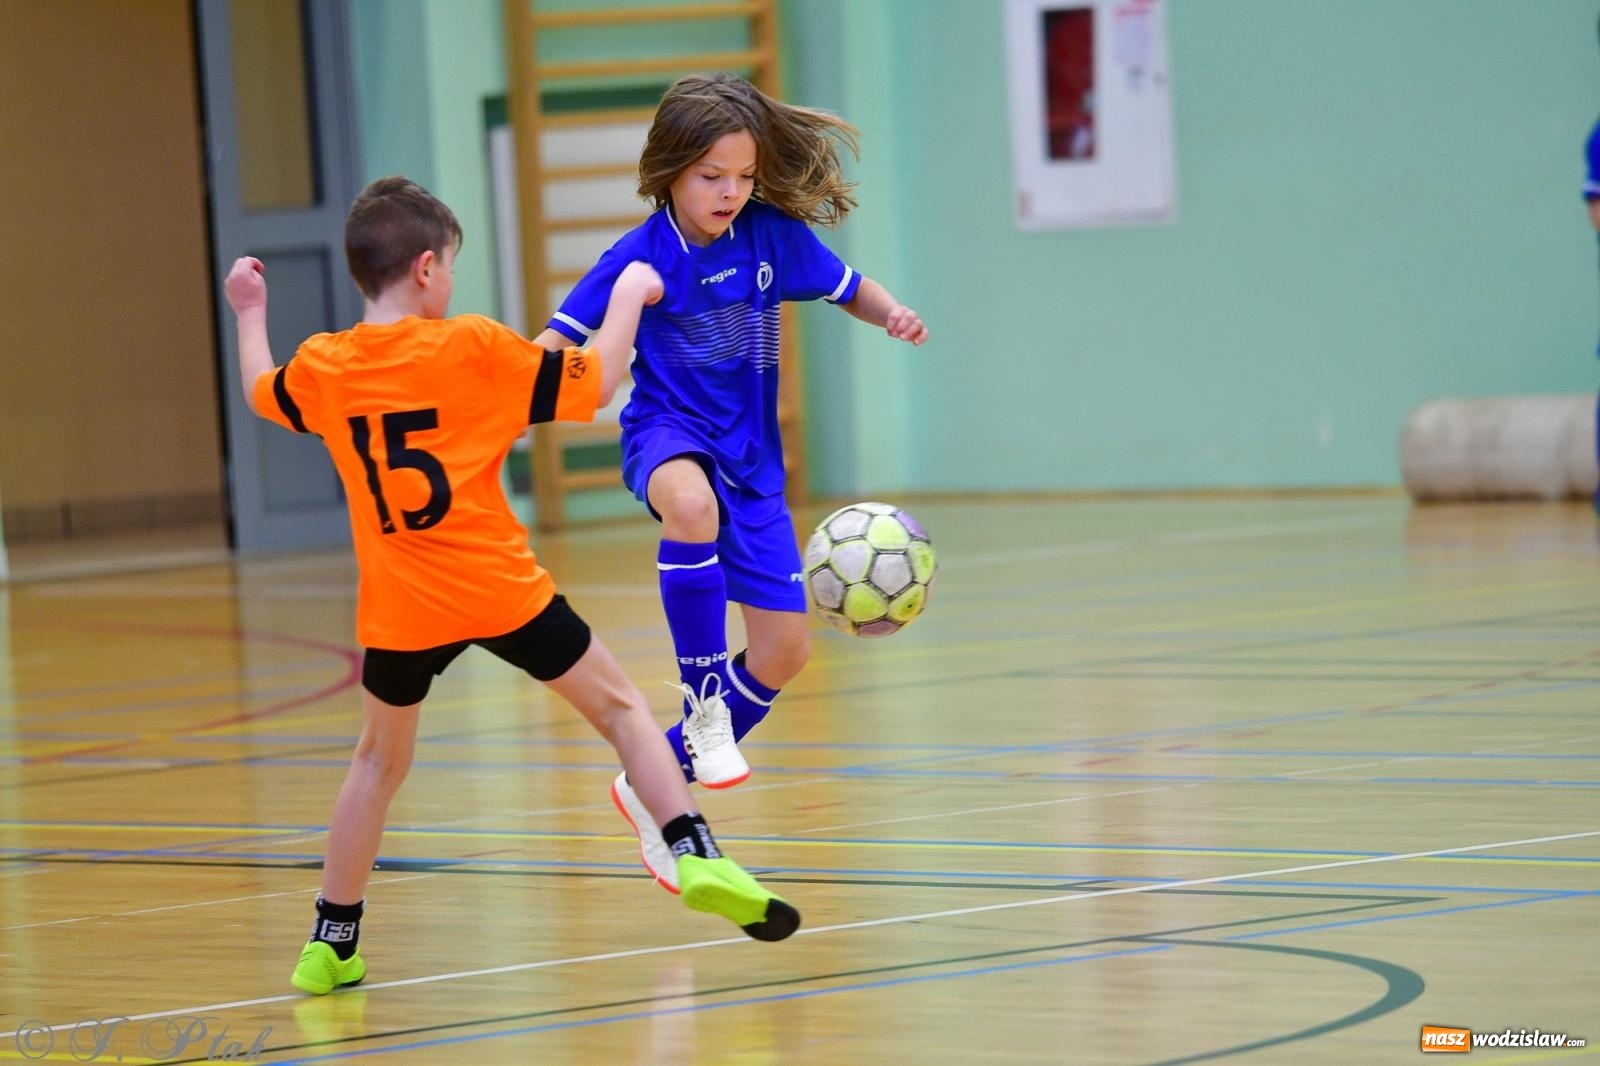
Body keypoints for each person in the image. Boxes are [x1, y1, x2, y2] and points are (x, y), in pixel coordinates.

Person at [221, 176, 800, 997]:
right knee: (624, 711)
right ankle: (694, 850)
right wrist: (631, 292)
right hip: (500, 589)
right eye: (450, 264)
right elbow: (596, 384)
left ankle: (331, 940)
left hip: (399, 607)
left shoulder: (325, 366)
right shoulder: (472, 348)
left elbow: (259, 387)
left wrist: (249, 310)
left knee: (377, 764)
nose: (450, 280)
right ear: (426, 269)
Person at [531, 74, 927, 892]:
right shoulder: (636, 260)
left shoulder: (770, 239)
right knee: (689, 504)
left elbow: (848, 288)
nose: (730, 191)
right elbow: (551, 344)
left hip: (754, 466)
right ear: (671, 170)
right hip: (668, 435)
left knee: (785, 652)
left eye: (743, 177)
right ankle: (705, 704)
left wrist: (892, 314)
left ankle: (655, 782)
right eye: (713, 175)